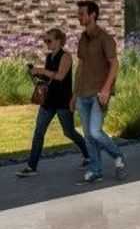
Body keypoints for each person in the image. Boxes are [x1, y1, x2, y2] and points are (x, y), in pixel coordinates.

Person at [16, 28, 90, 178]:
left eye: (49, 40)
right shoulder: (49, 57)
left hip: (63, 102)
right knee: (39, 132)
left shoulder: (66, 56)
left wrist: (42, 71)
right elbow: (50, 78)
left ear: (58, 41)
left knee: (69, 132)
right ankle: (31, 167)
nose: (46, 43)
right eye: (45, 41)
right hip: (48, 101)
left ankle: (88, 155)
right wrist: (36, 74)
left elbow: (60, 76)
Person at [71, 0, 127, 183]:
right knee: (88, 136)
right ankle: (96, 170)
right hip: (82, 93)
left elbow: (114, 64)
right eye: (79, 14)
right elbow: (81, 66)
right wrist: (74, 94)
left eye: (82, 14)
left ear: (93, 15)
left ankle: (118, 155)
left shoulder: (105, 38)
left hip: (98, 94)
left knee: (95, 132)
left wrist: (106, 89)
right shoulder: (82, 38)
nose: (79, 17)